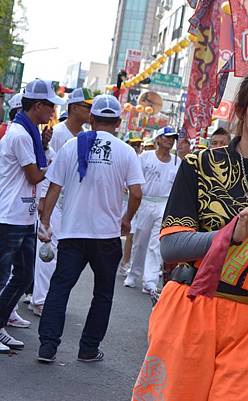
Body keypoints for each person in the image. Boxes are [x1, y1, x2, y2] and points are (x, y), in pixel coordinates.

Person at [131, 68, 248, 401]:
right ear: (241, 110)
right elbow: (171, 246)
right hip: (193, 306)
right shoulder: (198, 166)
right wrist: (230, 233)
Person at [37, 95, 144, 363]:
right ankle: (88, 349)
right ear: (118, 123)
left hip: (73, 232)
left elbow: (53, 188)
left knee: (60, 288)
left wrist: (46, 222)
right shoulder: (126, 152)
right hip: (106, 236)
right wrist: (126, 217)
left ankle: (47, 347)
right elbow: (137, 193)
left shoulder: (72, 146)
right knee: (103, 294)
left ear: (92, 120)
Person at [0, 79, 64, 353]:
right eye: (50, 106)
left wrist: (46, 148)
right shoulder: (20, 134)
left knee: (25, 274)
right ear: (37, 105)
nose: (52, 111)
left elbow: (36, 172)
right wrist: (57, 165)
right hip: (10, 215)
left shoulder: (31, 134)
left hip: (22, 215)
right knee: (7, 275)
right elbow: (35, 175)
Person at [31, 88, 94, 317]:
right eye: (86, 106)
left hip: (72, 204)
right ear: (74, 107)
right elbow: (47, 169)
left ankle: (43, 297)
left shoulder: (87, 136)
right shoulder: (57, 133)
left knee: (62, 255)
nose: (89, 111)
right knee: (47, 251)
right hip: (53, 201)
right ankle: (40, 300)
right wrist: (42, 199)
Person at [124, 126, 180, 295]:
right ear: (158, 139)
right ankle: (133, 274)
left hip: (163, 204)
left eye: (172, 138)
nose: (170, 141)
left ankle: (150, 281)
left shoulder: (178, 162)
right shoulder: (145, 157)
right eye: (167, 137)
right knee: (140, 241)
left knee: (156, 244)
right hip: (145, 202)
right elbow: (134, 179)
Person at [117, 131, 144, 277]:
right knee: (115, 232)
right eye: (133, 144)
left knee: (131, 233)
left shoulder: (142, 159)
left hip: (134, 202)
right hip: (118, 201)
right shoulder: (122, 155)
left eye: (138, 145)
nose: (136, 147)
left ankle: (126, 263)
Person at [49, 88, 93, 152]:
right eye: (88, 107)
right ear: (74, 108)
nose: (92, 111)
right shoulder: (56, 133)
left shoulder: (88, 135)